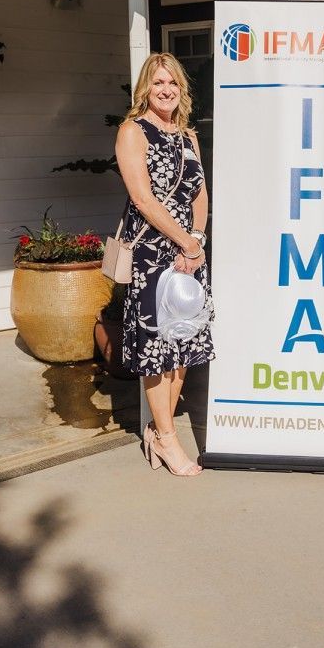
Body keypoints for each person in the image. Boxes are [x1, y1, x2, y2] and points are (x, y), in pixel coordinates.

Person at [116, 52, 215, 477]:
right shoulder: (132, 131)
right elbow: (143, 199)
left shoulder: (188, 135)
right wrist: (185, 243)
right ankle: (168, 439)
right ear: (146, 88)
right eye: (158, 82)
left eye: (172, 83)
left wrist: (198, 241)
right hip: (152, 254)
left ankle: (159, 432)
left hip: (187, 253)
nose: (166, 89)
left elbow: (199, 195)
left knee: (183, 347)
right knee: (158, 351)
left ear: (181, 89)